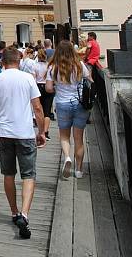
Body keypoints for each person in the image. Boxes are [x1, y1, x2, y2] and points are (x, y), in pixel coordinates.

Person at [0, 47, 45, 240]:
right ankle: (25, 213)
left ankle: (13, 212)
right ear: (19, 61)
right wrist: (42, 132)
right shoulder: (27, 78)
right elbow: (37, 106)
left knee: (8, 174)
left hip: (5, 133)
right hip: (25, 132)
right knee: (28, 175)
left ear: (2, 62)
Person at [46, 40, 92, 179]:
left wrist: (57, 87)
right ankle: (78, 170)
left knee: (65, 137)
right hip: (79, 104)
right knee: (79, 139)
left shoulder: (53, 67)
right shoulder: (79, 65)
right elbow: (90, 79)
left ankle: (67, 157)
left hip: (62, 104)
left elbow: (48, 88)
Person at [32, 49, 53, 141]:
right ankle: (46, 132)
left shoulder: (35, 66)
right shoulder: (49, 66)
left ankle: (40, 131)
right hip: (47, 86)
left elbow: (33, 78)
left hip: (38, 87)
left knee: (39, 109)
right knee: (47, 110)